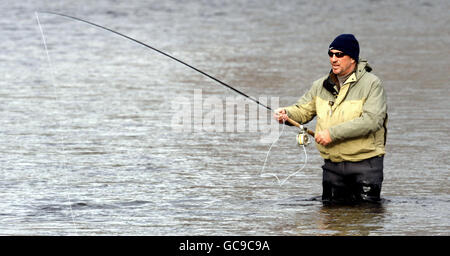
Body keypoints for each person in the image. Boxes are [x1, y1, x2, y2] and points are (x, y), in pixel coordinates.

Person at [274, 34, 388, 204]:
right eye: (331, 54)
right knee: (331, 222)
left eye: (339, 54)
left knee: (366, 219)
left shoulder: (372, 84)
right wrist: (287, 114)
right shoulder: (320, 85)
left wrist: (332, 133)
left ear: (352, 58)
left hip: (365, 165)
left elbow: (372, 121)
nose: (333, 59)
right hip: (332, 166)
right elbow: (303, 111)